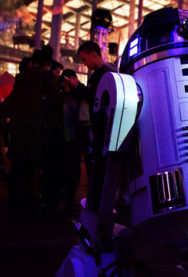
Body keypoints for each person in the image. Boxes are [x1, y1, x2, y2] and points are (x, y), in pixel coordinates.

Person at [0, 46, 63, 216]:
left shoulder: (21, 80)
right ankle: (27, 205)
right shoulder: (47, 80)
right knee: (32, 171)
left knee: (17, 169)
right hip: (37, 134)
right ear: (47, 64)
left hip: (20, 132)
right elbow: (56, 103)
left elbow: (8, 105)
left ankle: (13, 205)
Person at [76, 40, 117, 212]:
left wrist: (77, 86)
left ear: (94, 53)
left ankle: (99, 206)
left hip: (104, 130)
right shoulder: (104, 73)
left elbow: (94, 97)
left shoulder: (105, 74)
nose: (84, 64)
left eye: (85, 59)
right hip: (103, 129)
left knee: (102, 169)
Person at [59, 69, 92, 213]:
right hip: (64, 137)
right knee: (67, 168)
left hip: (74, 137)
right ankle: (66, 193)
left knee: (72, 168)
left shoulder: (78, 94)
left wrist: (76, 85)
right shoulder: (60, 96)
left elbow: (88, 95)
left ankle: (69, 196)